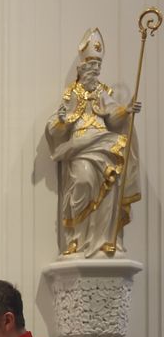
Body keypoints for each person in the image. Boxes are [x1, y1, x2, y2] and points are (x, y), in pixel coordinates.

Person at [45, 27, 141, 257]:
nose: (95, 71)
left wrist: (126, 110)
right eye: (91, 66)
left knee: (112, 182)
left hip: (104, 142)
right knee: (83, 181)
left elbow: (114, 116)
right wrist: (62, 121)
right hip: (80, 145)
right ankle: (77, 239)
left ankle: (105, 239)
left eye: (98, 66)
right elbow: (55, 127)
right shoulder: (72, 94)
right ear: (82, 69)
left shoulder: (102, 92)